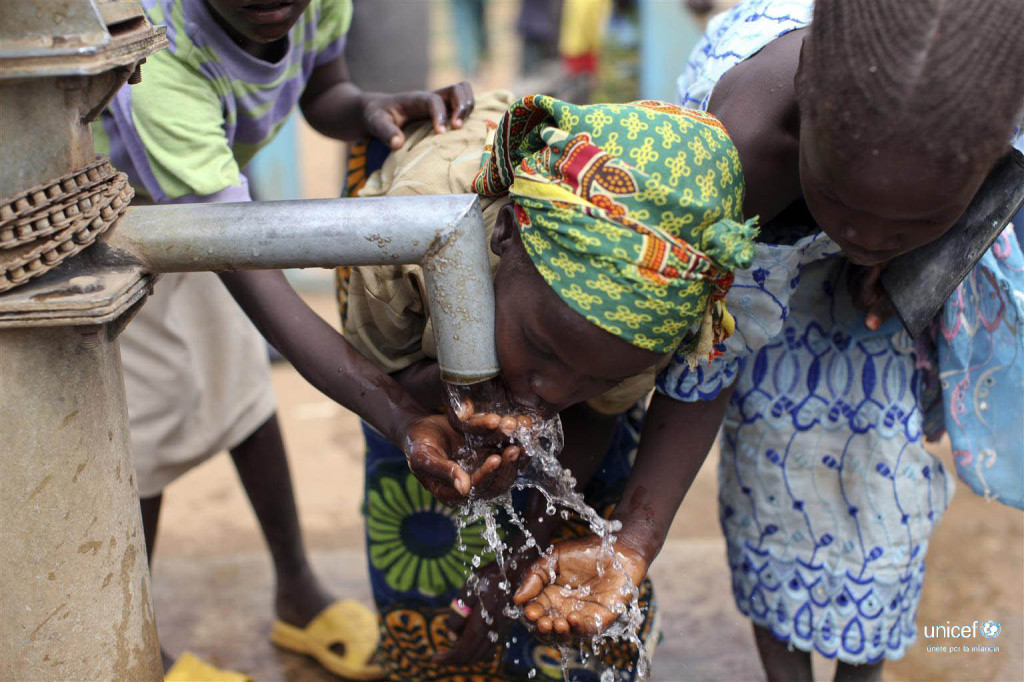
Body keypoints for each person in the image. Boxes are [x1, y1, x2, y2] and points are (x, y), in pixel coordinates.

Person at [513, 2, 1024, 681]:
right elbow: (708, 361)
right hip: (757, 233)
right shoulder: (732, 159)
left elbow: (981, 186)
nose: (866, 237)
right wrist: (635, 542)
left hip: (871, 206)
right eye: (846, 205)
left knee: (885, 487)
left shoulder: (977, 120)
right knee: (769, 479)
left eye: (908, 221)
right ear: (808, 101)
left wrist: (916, 257)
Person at [91, 1, 477, 679]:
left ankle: (297, 591)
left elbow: (322, 91)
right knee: (144, 431)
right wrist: (395, 412)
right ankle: (134, 653)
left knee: (242, 394)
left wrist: (366, 107)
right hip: (113, 220)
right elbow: (259, 286)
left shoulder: (319, 3)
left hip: (203, 198)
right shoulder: (158, 60)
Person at [339, 91, 759, 680]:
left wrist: (522, 552)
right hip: (412, 359)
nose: (551, 392)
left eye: (598, 374)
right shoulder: (404, 233)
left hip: (577, 360)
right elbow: (379, 379)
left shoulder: (646, 324)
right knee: (426, 543)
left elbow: (597, 412)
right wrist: (456, 393)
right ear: (506, 234)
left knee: (589, 552)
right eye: (541, 349)